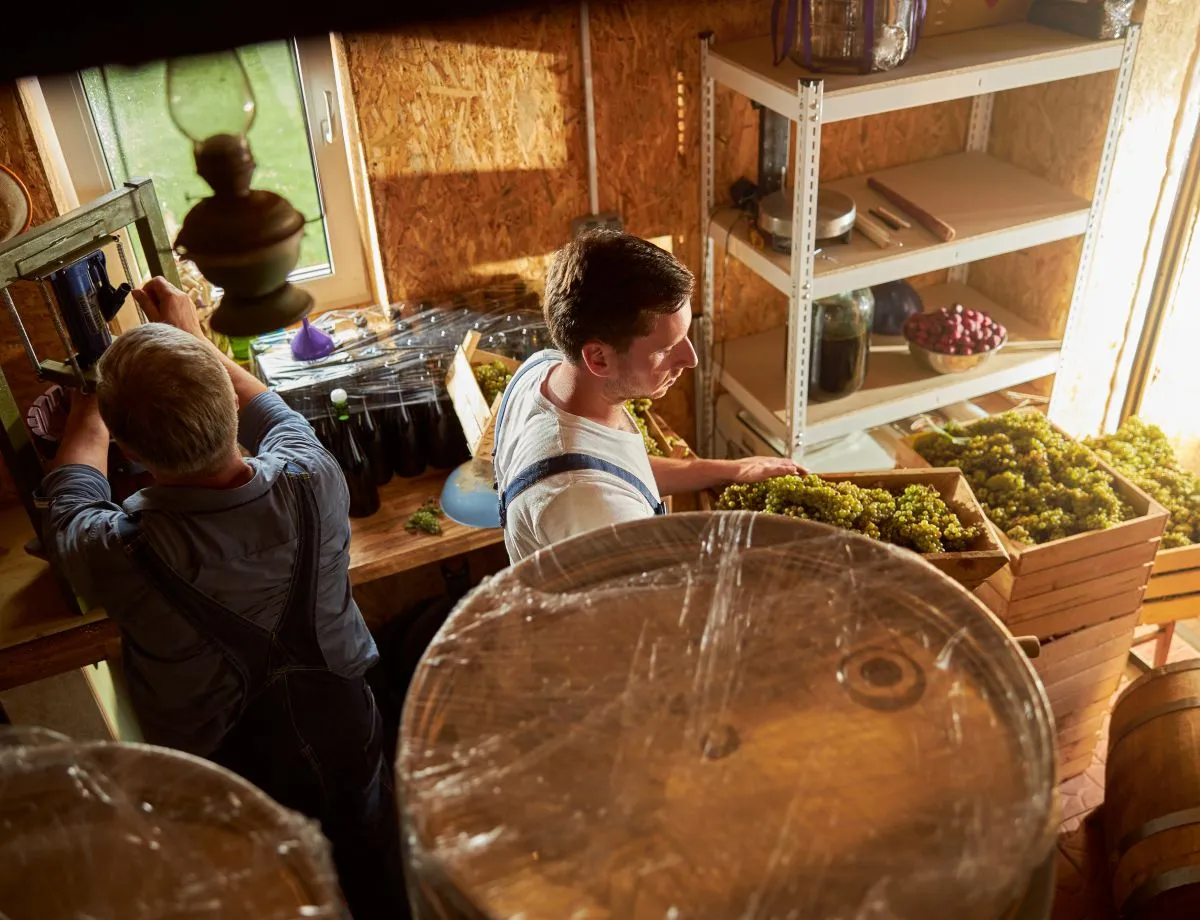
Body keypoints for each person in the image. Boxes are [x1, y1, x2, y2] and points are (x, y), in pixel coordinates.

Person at [42, 277, 408, 920]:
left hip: (228, 773)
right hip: (344, 728)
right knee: (375, 856)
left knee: (268, 894)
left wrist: (88, 407)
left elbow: (70, 498)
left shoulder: (117, 550)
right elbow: (267, 407)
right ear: (229, 410)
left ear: (129, 449)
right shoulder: (312, 476)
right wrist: (195, 342)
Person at [493, 230, 802, 563]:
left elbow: (615, 470)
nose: (690, 358)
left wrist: (729, 470)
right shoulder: (590, 506)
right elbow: (649, 610)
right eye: (666, 348)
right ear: (598, 358)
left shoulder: (546, 373)